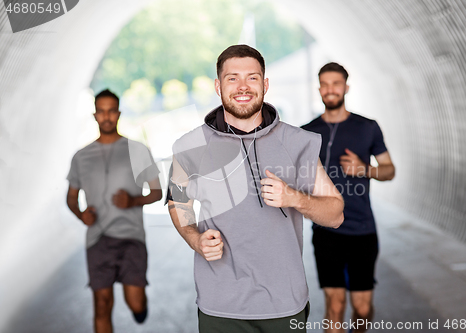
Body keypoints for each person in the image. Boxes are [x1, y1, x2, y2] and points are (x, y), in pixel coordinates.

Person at [167, 45, 344, 333]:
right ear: (217, 85)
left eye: (252, 77)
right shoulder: (189, 146)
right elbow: (178, 202)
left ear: (265, 84)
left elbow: (336, 214)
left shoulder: (297, 142)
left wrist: (294, 197)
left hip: (284, 304)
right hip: (220, 306)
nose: (242, 87)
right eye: (232, 78)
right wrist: (194, 239)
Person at [302, 62, 396, 333]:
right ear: (319, 88)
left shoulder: (367, 127)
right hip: (326, 230)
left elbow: (389, 170)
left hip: (362, 229)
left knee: (363, 308)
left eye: (336, 83)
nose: (330, 89)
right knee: (334, 304)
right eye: (325, 84)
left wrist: (365, 169)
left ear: (346, 87)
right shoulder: (305, 132)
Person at [66, 89, 162, 333]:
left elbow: (157, 192)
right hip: (97, 239)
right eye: (101, 112)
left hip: (131, 237)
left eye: (111, 111)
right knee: (102, 304)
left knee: (135, 301)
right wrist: (81, 214)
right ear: (95, 115)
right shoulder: (81, 157)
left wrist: (132, 201)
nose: (106, 116)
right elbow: (71, 198)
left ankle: (140, 307)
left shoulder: (138, 150)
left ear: (118, 113)